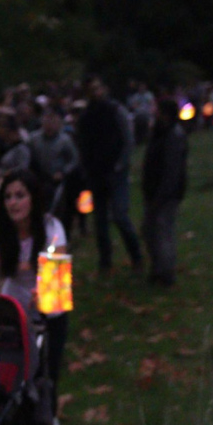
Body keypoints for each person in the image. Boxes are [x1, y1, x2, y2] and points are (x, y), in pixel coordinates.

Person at [0, 169, 68, 425]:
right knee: (13, 372)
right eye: (8, 197)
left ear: (33, 198)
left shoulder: (52, 227)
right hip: (13, 306)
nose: (14, 203)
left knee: (45, 372)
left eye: (20, 196)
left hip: (49, 305)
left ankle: (49, 423)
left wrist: (43, 295)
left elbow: (56, 275)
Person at [76, 75, 143, 274]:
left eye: (98, 88)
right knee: (101, 222)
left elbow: (127, 139)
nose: (95, 93)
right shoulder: (87, 116)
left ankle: (136, 257)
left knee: (120, 216)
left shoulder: (115, 110)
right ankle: (105, 262)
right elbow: (83, 144)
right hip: (97, 172)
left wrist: (120, 164)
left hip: (115, 171)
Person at [141, 98, 188, 287]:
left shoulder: (174, 135)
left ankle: (166, 273)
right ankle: (157, 268)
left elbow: (172, 170)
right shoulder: (160, 132)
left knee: (162, 232)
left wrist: (162, 195)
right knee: (150, 231)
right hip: (154, 191)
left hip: (166, 194)